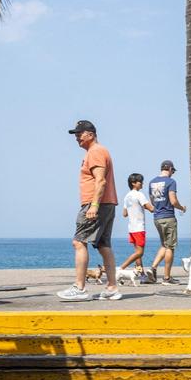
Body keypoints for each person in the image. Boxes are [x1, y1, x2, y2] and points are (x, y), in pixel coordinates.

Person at [58, 120, 121, 301]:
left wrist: (93, 205)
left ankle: (80, 288)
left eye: (80, 134)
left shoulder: (95, 152)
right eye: (76, 134)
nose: (77, 137)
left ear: (91, 134)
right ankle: (112, 288)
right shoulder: (97, 151)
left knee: (79, 242)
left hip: (96, 204)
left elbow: (100, 181)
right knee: (103, 245)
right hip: (106, 203)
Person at [148, 160, 186, 284]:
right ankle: (167, 277)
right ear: (169, 169)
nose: (173, 173)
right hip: (168, 217)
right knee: (170, 247)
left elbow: (152, 201)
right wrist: (182, 208)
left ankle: (153, 268)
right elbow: (173, 201)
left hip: (157, 218)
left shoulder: (152, 182)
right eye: (173, 171)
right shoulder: (171, 182)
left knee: (164, 245)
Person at [119, 173, 152, 273]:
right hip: (139, 227)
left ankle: (142, 275)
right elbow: (150, 208)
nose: (142, 183)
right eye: (140, 182)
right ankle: (121, 268)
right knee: (140, 253)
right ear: (133, 183)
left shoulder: (127, 196)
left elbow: (124, 214)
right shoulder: (139, 194)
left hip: (131, 228)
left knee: (137, 252)